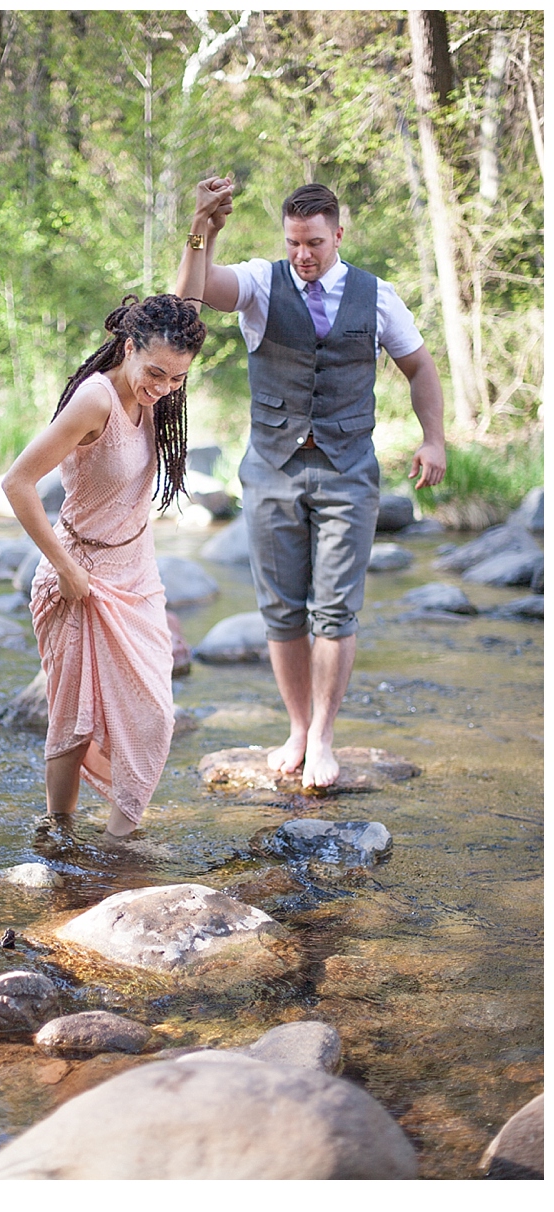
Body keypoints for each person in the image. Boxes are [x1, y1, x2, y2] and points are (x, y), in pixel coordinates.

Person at [176, 177, 446, 789]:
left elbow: (420, 366)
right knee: (280, 609)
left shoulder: (377, 296)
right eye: (294, 242)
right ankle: (297, 728)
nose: (303, 254)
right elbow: (188, 298)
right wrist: (202, 231)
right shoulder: (258, 283)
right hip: (271, 467)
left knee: (335, 609)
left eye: (315, 243)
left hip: (349, 470)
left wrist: (434, 438)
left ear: (338, 236)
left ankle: (324, 734)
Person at [2, 293, 207, 838]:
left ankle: (120, 843)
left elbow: (185, 304)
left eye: (177, 380)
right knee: (71, 721)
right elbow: (17, 483)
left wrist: (198, 231)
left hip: (136, 574)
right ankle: (61, 835)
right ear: (129, 345)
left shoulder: (157, 376)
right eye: (157, 373)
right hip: (81, 578)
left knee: (153, 715)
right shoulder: (96, 401)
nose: (163, 388)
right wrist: (66, 568)